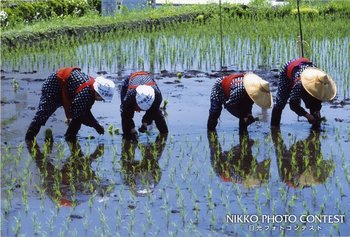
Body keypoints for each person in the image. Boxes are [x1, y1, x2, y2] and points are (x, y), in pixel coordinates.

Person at [25, 67, 115, 141]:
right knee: (43, 113)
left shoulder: (90, 92)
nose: (100, 100)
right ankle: (29, 138)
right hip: (54, 85)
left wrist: (95, 124)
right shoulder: (86, 92)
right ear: (97, 91)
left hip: (69, 90)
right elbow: (83, 114)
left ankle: (70, 137)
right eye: (101, 98)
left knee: (78, 116)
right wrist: (96, 125)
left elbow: (81, 113)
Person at [26, 139, 109, 207]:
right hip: (65, 194)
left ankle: (30, 140)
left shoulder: (87, 189)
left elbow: (83, 166)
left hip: (59, 193)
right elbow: (84, 165)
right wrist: (95, 155)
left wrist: (95, 155)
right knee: (78, 157)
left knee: (41, 162)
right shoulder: (88, 189)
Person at [271, 58, 337, 129]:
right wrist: (307, 115)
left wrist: (317, 112)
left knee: (315, 105)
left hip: (305, 66)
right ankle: (274, 128)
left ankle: (316, 128)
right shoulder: (300, 84)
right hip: (288, 71)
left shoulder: (322, 82)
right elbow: (293, 104)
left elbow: (317, 101)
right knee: (280, 102)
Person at [207, 73, 273, 134]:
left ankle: (243, 134)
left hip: (240, 94)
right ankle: (210, 132)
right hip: (220, 87)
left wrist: (248, 116)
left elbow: (248, 106)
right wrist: (244, 117)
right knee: (215, 111)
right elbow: (229, 105)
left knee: (245, 116)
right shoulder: (239, 90)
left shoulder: (253, 93)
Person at [120, 71, 168, 141]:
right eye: (139, 108)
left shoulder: (157, 97)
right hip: (131, 81)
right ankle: (127, 139)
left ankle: (164, 134)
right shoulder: (129, 97)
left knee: (157, 113)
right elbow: (126, 115)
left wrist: (145, 123)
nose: (139, 111)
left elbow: (153, 111)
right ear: (136, 102)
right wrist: (132, 129)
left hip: (148, 79)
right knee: (125, 113)